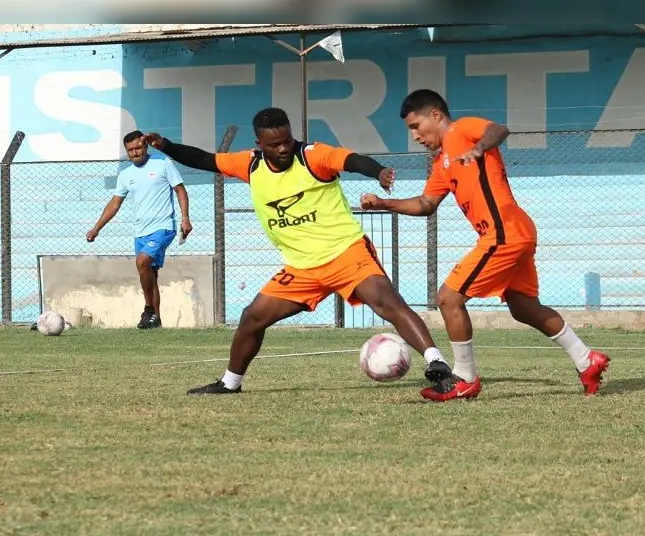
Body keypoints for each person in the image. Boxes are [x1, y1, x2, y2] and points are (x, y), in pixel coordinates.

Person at [142, 107, 453, 395]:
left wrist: (379, 171)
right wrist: (166, 146)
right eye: (274, 143)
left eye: (287, 140)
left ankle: (436, 362)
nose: (283, 148)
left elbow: (351, 160)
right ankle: (230, 383)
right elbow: (205, 159)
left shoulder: (312, 156)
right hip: (302, 268)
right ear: (259, 143)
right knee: (252, 317)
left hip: (346, 252)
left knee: (386, 301)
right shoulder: (248, 164)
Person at [361, 89, 611, 401]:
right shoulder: (442, 162)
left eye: (415, 126)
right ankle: (586, 360)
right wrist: (384, 203)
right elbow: (426, 204)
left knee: (448, 298)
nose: (415, 136)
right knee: (524, 308)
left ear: (435, 115)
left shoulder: (461, 130)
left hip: (503, 233)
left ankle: (464, 378)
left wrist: (479, 149)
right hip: (513, 232)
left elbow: (498, 130)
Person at [87, 130, 192, 329]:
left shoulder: (162, 163)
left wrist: (185, 218)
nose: (135, 152)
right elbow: (115, 203)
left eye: (138, 148)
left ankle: (148, 310)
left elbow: (180, 190)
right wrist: (96, 228)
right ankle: (156, 319)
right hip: (140, 231)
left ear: (145, 147)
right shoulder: (125, 175)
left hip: (163, 226)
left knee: (142, 261)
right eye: (130, 150)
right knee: (150, 272)